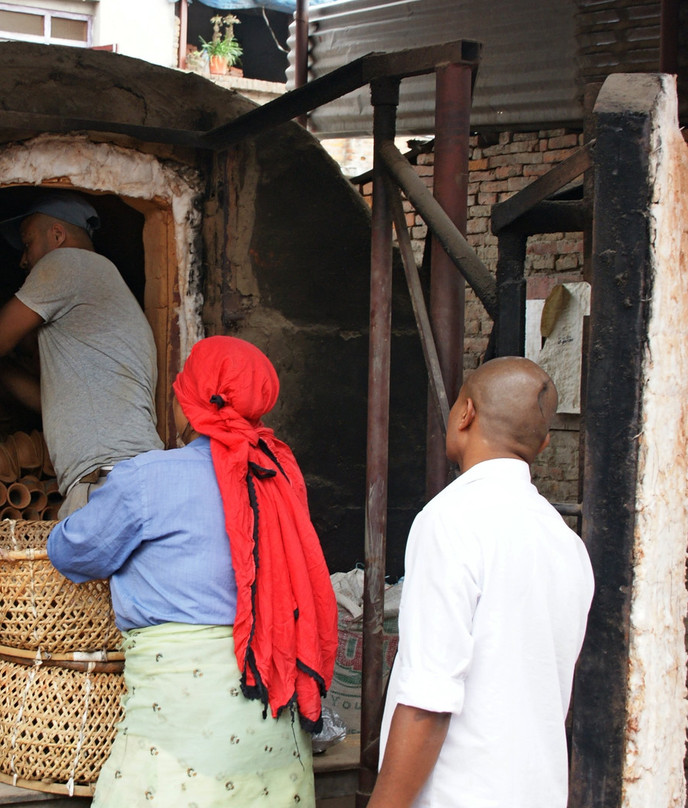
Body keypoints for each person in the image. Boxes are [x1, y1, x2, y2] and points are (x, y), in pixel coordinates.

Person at [47, 335, 339, 806]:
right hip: (276, 735)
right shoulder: (278, 478)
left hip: (182, 735)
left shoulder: (146, 477)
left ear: (189, 404)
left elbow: (71, 551)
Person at [368, 356, 594, 808]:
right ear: (544, 443)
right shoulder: (566, 543)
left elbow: (429, 698)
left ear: (465, 414)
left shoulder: (450, 520)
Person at [0, 190, 163, 516]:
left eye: (27, 244)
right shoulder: (101, 279)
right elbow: (49, 401)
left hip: (106, 479)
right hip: (128, 476)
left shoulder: (67, 263)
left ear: (57, 235)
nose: (23, 260)